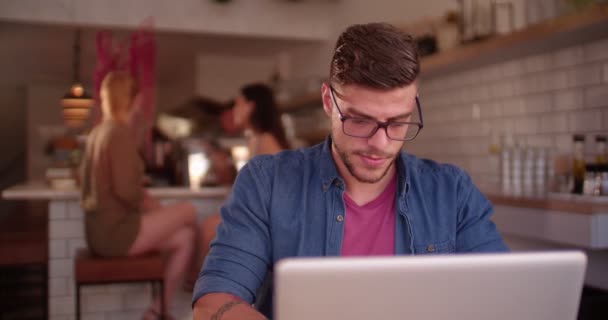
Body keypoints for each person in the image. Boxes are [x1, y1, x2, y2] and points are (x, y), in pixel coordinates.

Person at [192, 23, 508, 320]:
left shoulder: (451, 192)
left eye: (398, 122)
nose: (380, 143)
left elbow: (502, 298)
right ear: (329, 100)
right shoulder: (267, 182)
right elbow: (214, 302)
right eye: (360, 120)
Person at [80, 71, 198, 320]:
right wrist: (160, 211)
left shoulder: (98, 133)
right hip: (117, 233)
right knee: (189, 210)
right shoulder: (119, 133)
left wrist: (158, 211)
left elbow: (116, 187)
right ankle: (196, 281)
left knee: (185, 238)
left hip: (99, 232)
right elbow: (128, 192)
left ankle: (157, 311)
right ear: (133, 99)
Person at [198, 83, 289, 262]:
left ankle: (204, 285)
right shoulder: (257, 140)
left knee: (209, 227)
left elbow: (275, 192)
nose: (234, 110)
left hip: (271, 220)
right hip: (263, 216)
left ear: (250, 107)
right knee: (210, 225)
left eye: (238, 104)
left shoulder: (266, 141)